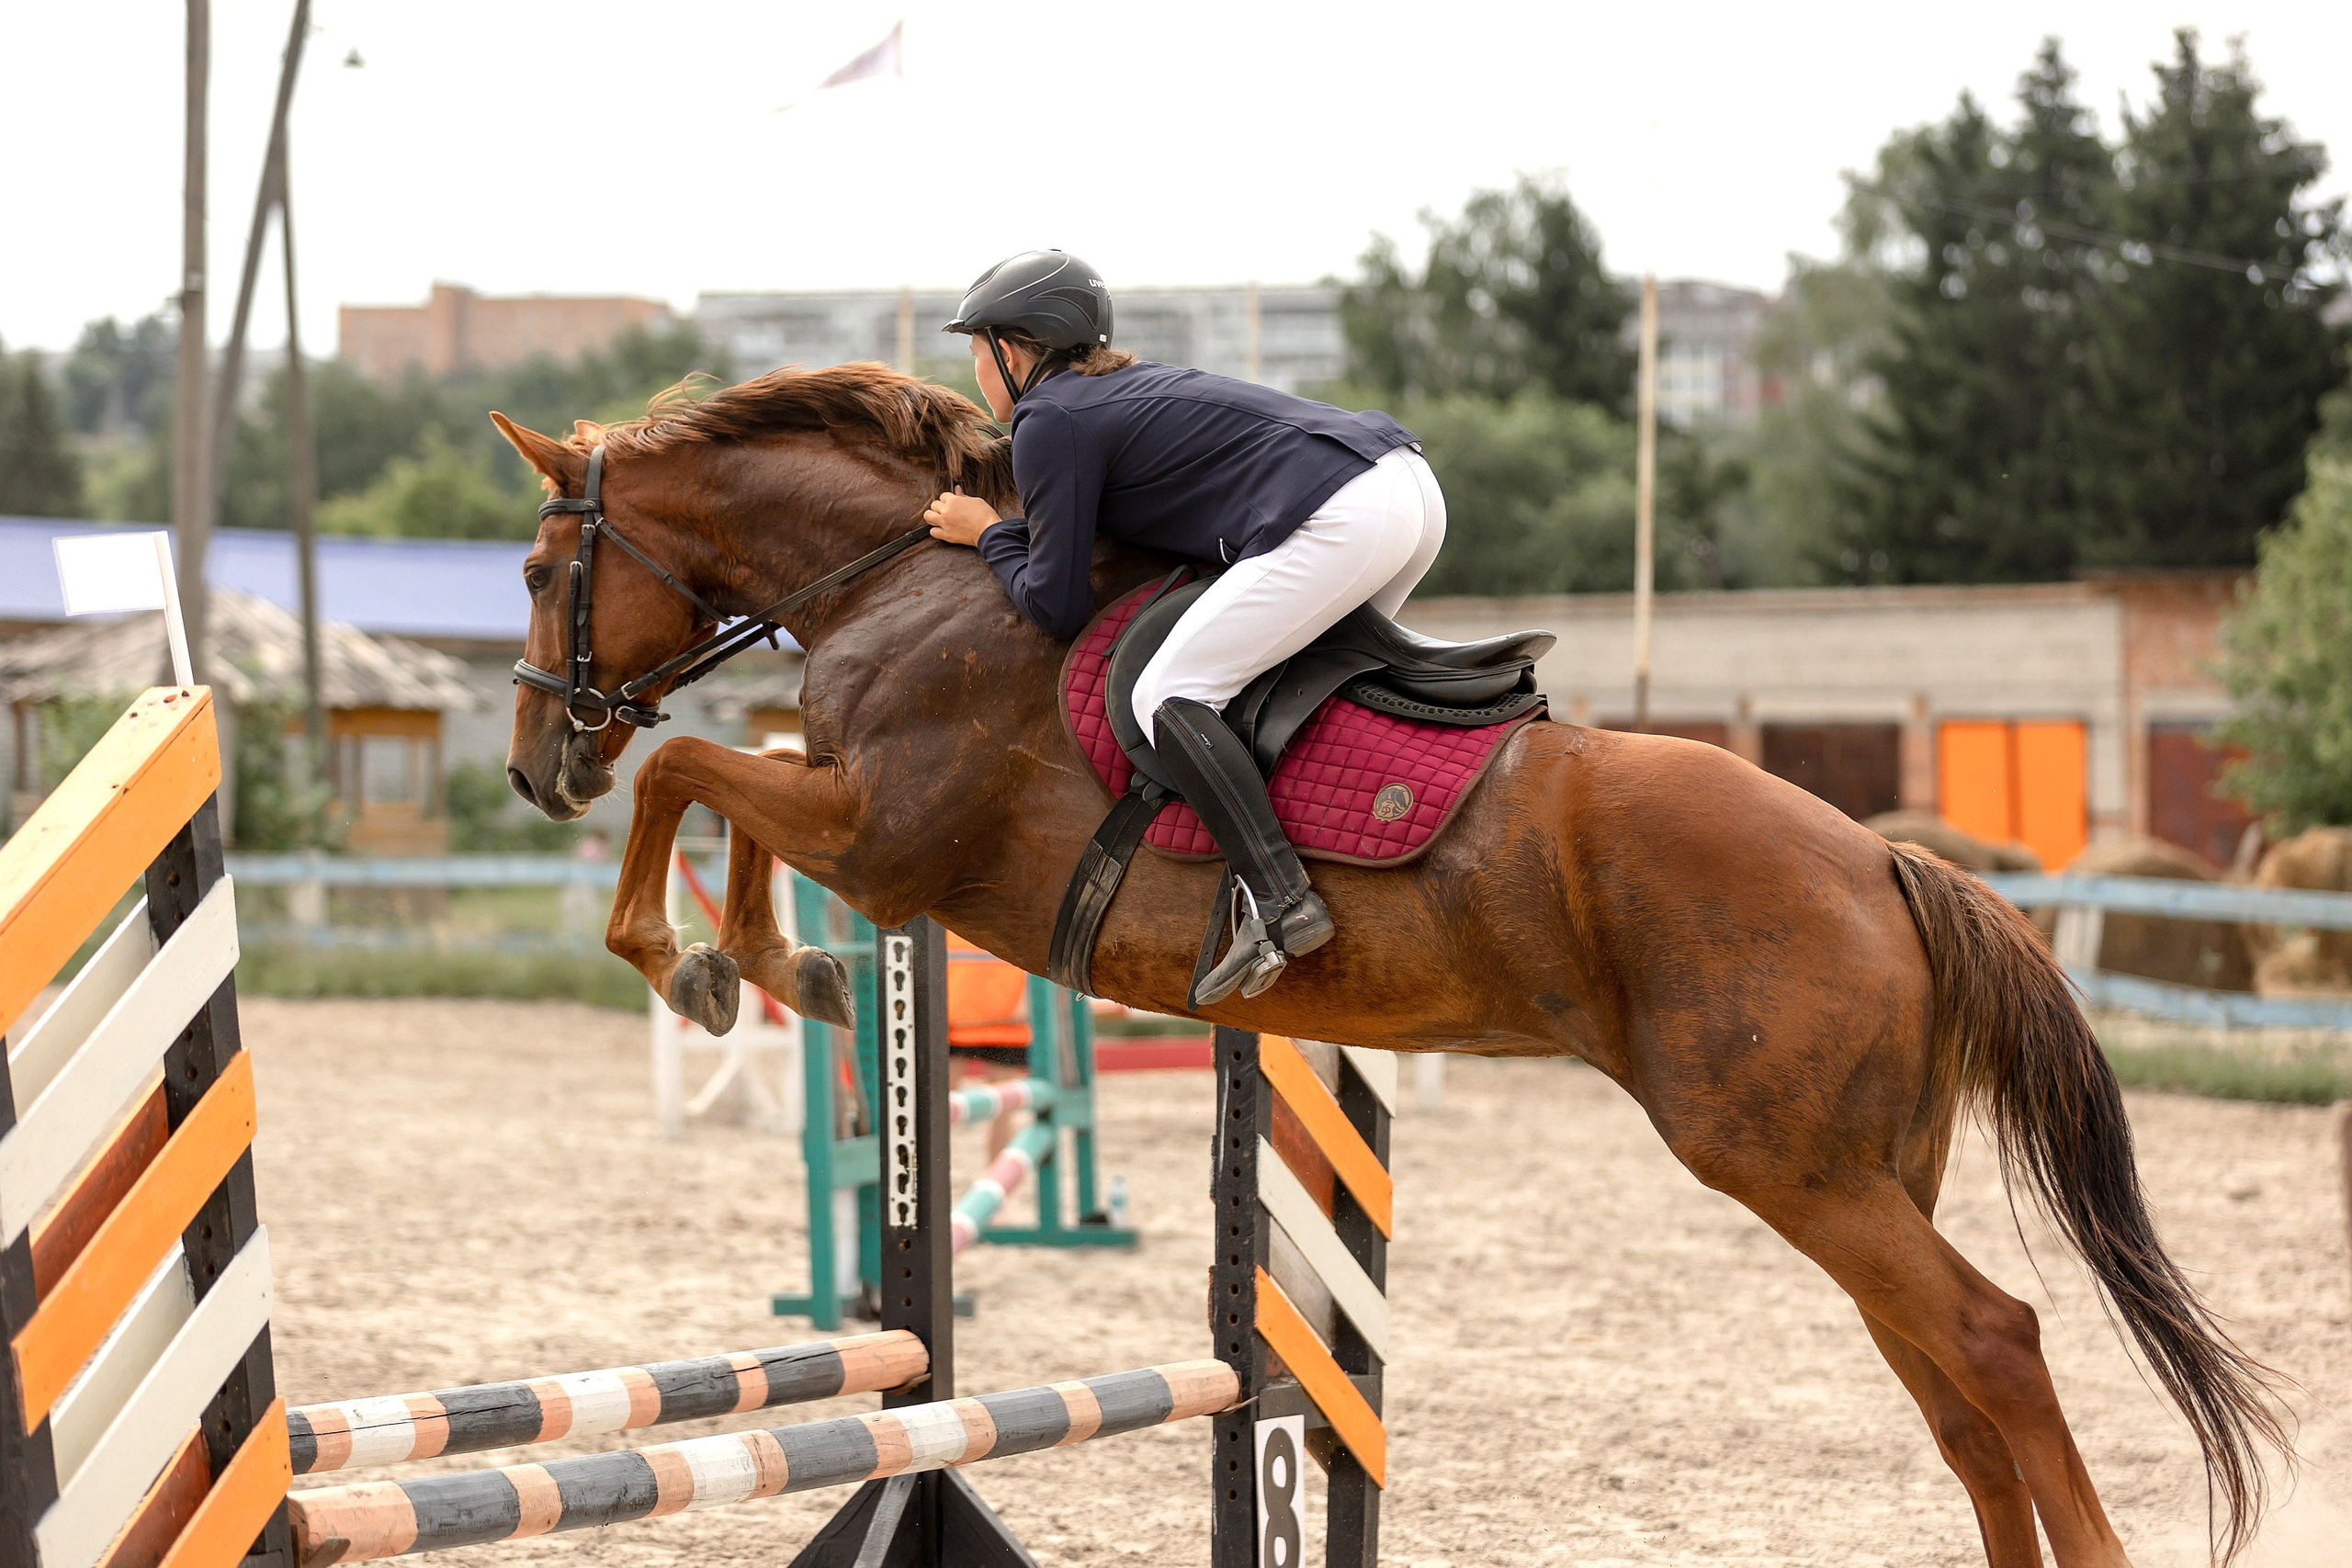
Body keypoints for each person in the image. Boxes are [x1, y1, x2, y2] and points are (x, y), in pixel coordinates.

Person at [922, 251, 1446, 1004]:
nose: (974, 367)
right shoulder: (1110, 392)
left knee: (1167, 689)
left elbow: (1056, 604)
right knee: (1279, 687)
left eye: (975, 348)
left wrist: (988, 533)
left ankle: (1279, 901)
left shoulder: (1050, 416)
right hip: (1403, 487)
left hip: (1345, 512)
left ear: (1010, 352)